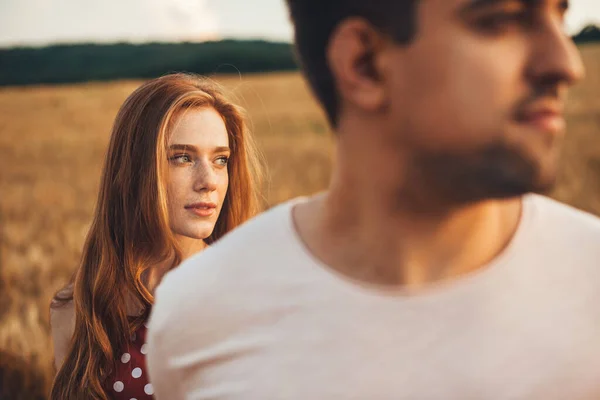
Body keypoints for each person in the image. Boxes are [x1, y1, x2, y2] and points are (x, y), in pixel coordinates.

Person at [147, 1, 600, 398]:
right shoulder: (200, 313)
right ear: (364, 63)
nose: (565, 63)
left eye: (561, 14)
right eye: (501, 20)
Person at [49, 73, 263, 399]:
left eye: (221, 160)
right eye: (183, 157)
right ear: (136, 170)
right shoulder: (80, 310)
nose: (209, 181)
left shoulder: (249, 295)